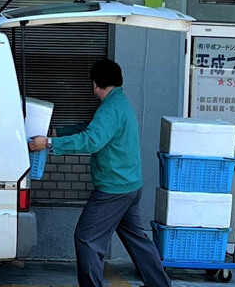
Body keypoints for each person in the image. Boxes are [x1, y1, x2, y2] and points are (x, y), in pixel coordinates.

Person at [29, 59, 171, 287]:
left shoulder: (109, 109)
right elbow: (91, 128)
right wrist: (55, 132)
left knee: (86, 239)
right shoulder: (120, 103)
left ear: (95, 83)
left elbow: (92, 140)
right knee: (138, 241)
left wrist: (48, 143)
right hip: (130, 186)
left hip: (113, 190)